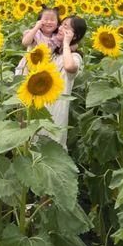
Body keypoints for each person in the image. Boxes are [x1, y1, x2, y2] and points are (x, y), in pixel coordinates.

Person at [45, 15, 87, 149]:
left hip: (56, 108)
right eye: (61, 24)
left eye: (65, 26)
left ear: (74, 36)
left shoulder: (75, 57)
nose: (60, 28)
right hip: (40, 103)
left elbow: (69, 67)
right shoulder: (52, 54)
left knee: (53, 145)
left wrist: (66, 43)